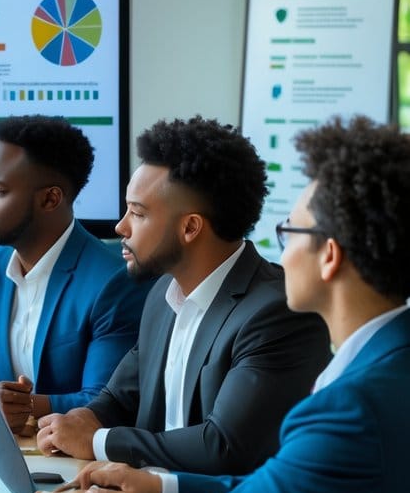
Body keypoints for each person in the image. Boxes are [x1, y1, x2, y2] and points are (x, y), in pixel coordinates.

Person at [25, 116, 410, 493]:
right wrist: (163, 488)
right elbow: (285, 489)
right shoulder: (390, 367)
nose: (281, 251)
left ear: (329, 255)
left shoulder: (354, 409)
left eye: (290, 233)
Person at [37, 116, 331, 474]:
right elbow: (119, 397)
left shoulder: (278, 312)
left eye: (137, 213)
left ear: (190, 227)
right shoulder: (163, 291)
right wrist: (80, 420)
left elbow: (225, 446)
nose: (120, 227)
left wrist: (97, 441)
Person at [0, 116, 151, 429]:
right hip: (10, 451)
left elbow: (105, 401)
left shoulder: (113, 282)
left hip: (79, 462)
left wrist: (24, 405)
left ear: (50, 199)